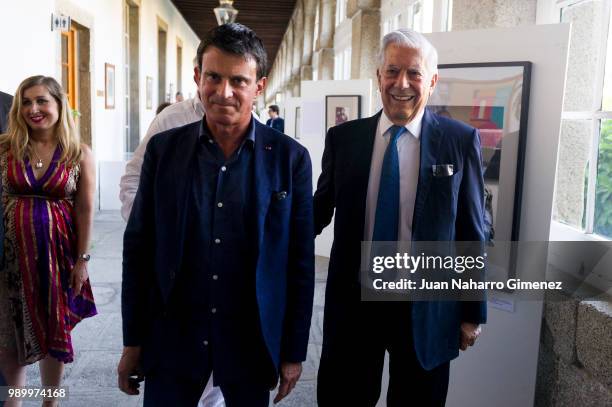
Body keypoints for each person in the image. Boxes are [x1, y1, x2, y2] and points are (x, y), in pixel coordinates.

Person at [117, 22, 314, 407]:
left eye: (239, 81)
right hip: (174, 340)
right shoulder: (164, 151)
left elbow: (298, 264)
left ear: (259, 86)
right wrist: (133, 341)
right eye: (214, 77)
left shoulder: (290, 160)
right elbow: (138, 251)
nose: (224, 92)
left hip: (249, 344)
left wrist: (293, 352)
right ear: (197, 77)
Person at [314, 29, 486, 406]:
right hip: (354, 306)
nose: (401, 84)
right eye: (392, 71)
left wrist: (473, 311)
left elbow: (473, 231)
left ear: (433, 80)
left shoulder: (459, 140)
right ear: (378, 76)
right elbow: (317, 212)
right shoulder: (344, 139)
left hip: (425, 309)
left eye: (414, 73)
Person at [0, 76, 97, 407]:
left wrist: (82, 260)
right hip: (8, 258)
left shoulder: (78, 153)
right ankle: (13, 401)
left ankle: (49, 402)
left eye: (42, 101)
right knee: (7, 336)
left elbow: (84, 209)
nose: (33, 109)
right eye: (26, 102)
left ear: (59, 104)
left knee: (52, 331)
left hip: (55, 257)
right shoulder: (5, 147)